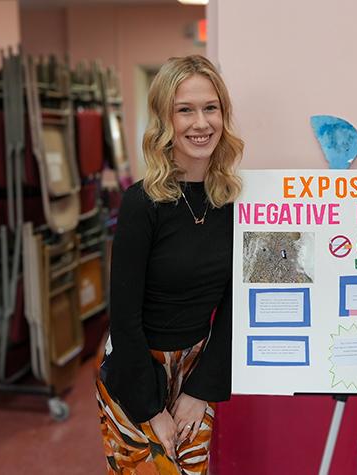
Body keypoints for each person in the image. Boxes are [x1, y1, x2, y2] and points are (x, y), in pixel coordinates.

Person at [95, 55, 242, 475]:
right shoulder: (143, 203)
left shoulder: (231, 201)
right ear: (165, 120)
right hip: (135, 367)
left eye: (210, 108)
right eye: (185, 110)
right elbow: (123, 317)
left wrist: (200, 390)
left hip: (197, 368)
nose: (201, 123)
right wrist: (150, 409)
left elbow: (235, 304)